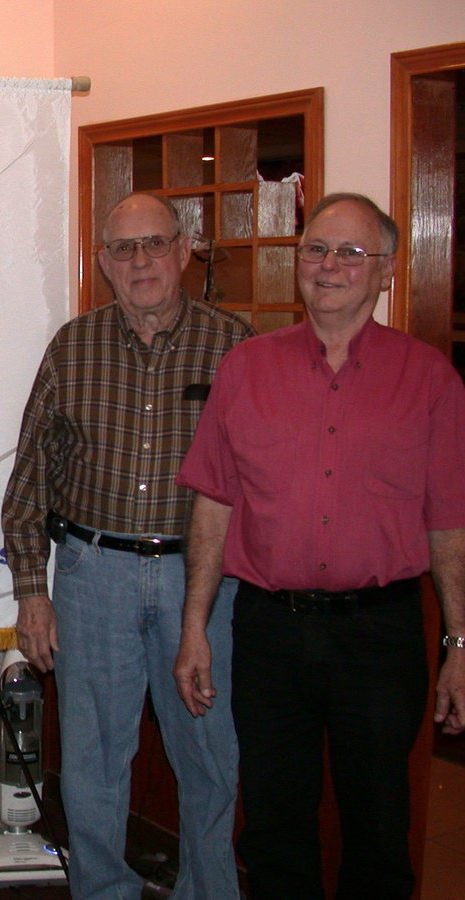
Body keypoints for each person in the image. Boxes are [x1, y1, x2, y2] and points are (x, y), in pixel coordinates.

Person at [174, 192, 465, 898]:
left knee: (379, 827)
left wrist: (459, 645)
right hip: (269, 632)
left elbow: (449, 522)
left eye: (351, 253)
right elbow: (213, 505)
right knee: (273, 827)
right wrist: (194, 628)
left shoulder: (430, 378)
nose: (329, 265)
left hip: (380, 637)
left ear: (387, 271)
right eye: (316, 249)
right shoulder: (246, 368)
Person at [2, 192, 251, 898]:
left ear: (184, 251)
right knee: (93, 763)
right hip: (93, 575)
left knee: (208, 757)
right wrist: (32, 593)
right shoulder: (72, 348)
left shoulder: (235, 348)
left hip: (199, 585)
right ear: (104, 263)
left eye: (155, 243)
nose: (140, 261)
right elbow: (29, 483)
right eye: (124, 248)